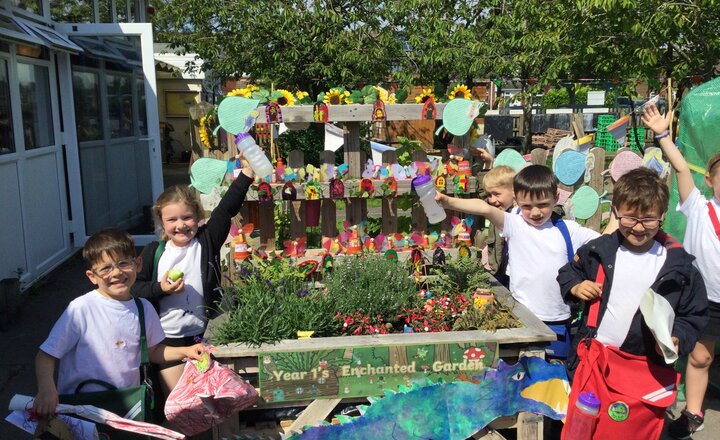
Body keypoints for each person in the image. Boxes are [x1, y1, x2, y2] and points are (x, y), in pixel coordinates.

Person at [557, 168, 708, 439]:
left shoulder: (678, 265)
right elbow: (568, 273)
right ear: (615, 211)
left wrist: (678, 339)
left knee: (628, 432)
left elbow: (693, 314)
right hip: (595, 360)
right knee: (582, 430)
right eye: (629, 217)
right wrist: (577, 286)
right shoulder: (598, 250)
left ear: (663, 215)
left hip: (644, 366)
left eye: (648, 219)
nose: (638, 227)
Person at [436, 164, 604, 361]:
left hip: (558, 319)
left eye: (542, 205)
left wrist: (619, 216)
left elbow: (604, 241)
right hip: (520, 319)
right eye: (526, 206)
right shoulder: (515, 224)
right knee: (518, 377)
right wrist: (447, 201)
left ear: (556, 198)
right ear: (517, 201)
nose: (535, 212)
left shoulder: (568, 229)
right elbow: (483, 208)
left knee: (555, 377)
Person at [32, 229, 206, 418]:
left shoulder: (144, 308)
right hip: (80, 407)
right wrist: (47, 390)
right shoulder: (81, 309)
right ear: (92, 276)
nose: (116, 272)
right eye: (106, 268)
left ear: (137, 264)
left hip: (126, 406)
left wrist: (186, 351)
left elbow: (153, 351)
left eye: (123, 263)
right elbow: (46, 355)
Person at [132, 155, 253, 395]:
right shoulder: (153, 253)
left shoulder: (206, 241)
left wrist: (246, 175)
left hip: (203, 336)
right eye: (172, 219)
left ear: (197, 217)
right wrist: (161, 289)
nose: (181, 225)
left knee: (205, 402)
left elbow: (226, 209)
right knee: (177, 403)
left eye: (187, 217)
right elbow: (135, 289)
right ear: (161, 221)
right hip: (167, 342)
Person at [642, 102, 720, 439]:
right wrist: (662, 134)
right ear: (710, 179)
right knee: (700, 358)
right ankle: (692, 413)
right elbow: (680, 169)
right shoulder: (699, 208)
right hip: (707, 301)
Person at [478, 165, 516, 288]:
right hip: (498, 268)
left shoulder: (520, 213)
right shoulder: (496, 209)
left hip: (514, 273)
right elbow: (480, 196)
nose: (492, 200)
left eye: (496, 194)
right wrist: (487, 165)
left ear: (514, 191)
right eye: (489, 195)